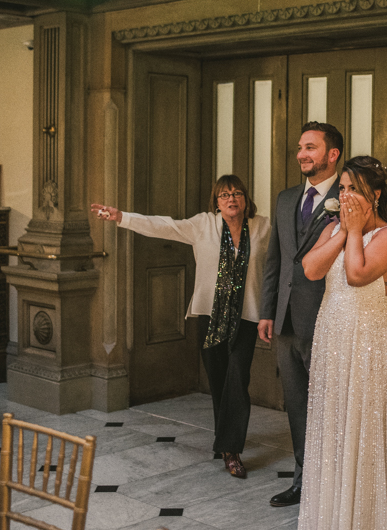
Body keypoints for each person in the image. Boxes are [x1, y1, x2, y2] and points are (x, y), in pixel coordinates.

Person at [91, 175, 270, 479]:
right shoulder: (203, 225)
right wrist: (122, 217)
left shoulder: (263, 227)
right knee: (218, 382)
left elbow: (278, 263)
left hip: (247, 316)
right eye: (224, 195)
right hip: (209, 316)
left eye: (237, 193)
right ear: (216, 202)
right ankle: (225, 440)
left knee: (237, 379)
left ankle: (231, 450)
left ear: (245, 198)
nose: (231, 199)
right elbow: (164, 225)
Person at [298, 156, 387, 529]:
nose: (344, 196)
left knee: (363, 426)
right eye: (341, 189)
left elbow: (357, 274)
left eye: (353, 190)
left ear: (374, 195)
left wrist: (355, 230)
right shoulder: (334, 229)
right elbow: (312, 269)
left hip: (367, 339)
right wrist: (344, 231)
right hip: (332, 333)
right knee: (332, 425)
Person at [258, 121, 344, 507]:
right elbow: (275, 259)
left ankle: (336, 483)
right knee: (297, 405)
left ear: (332, 154)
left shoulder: (350, 195)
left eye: (310, 147)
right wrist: (267, 312)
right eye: (299, 147)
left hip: (331, 318)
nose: (301, 154)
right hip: (287, 321)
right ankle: (303, 480)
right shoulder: (284, 198)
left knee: (332, 406)